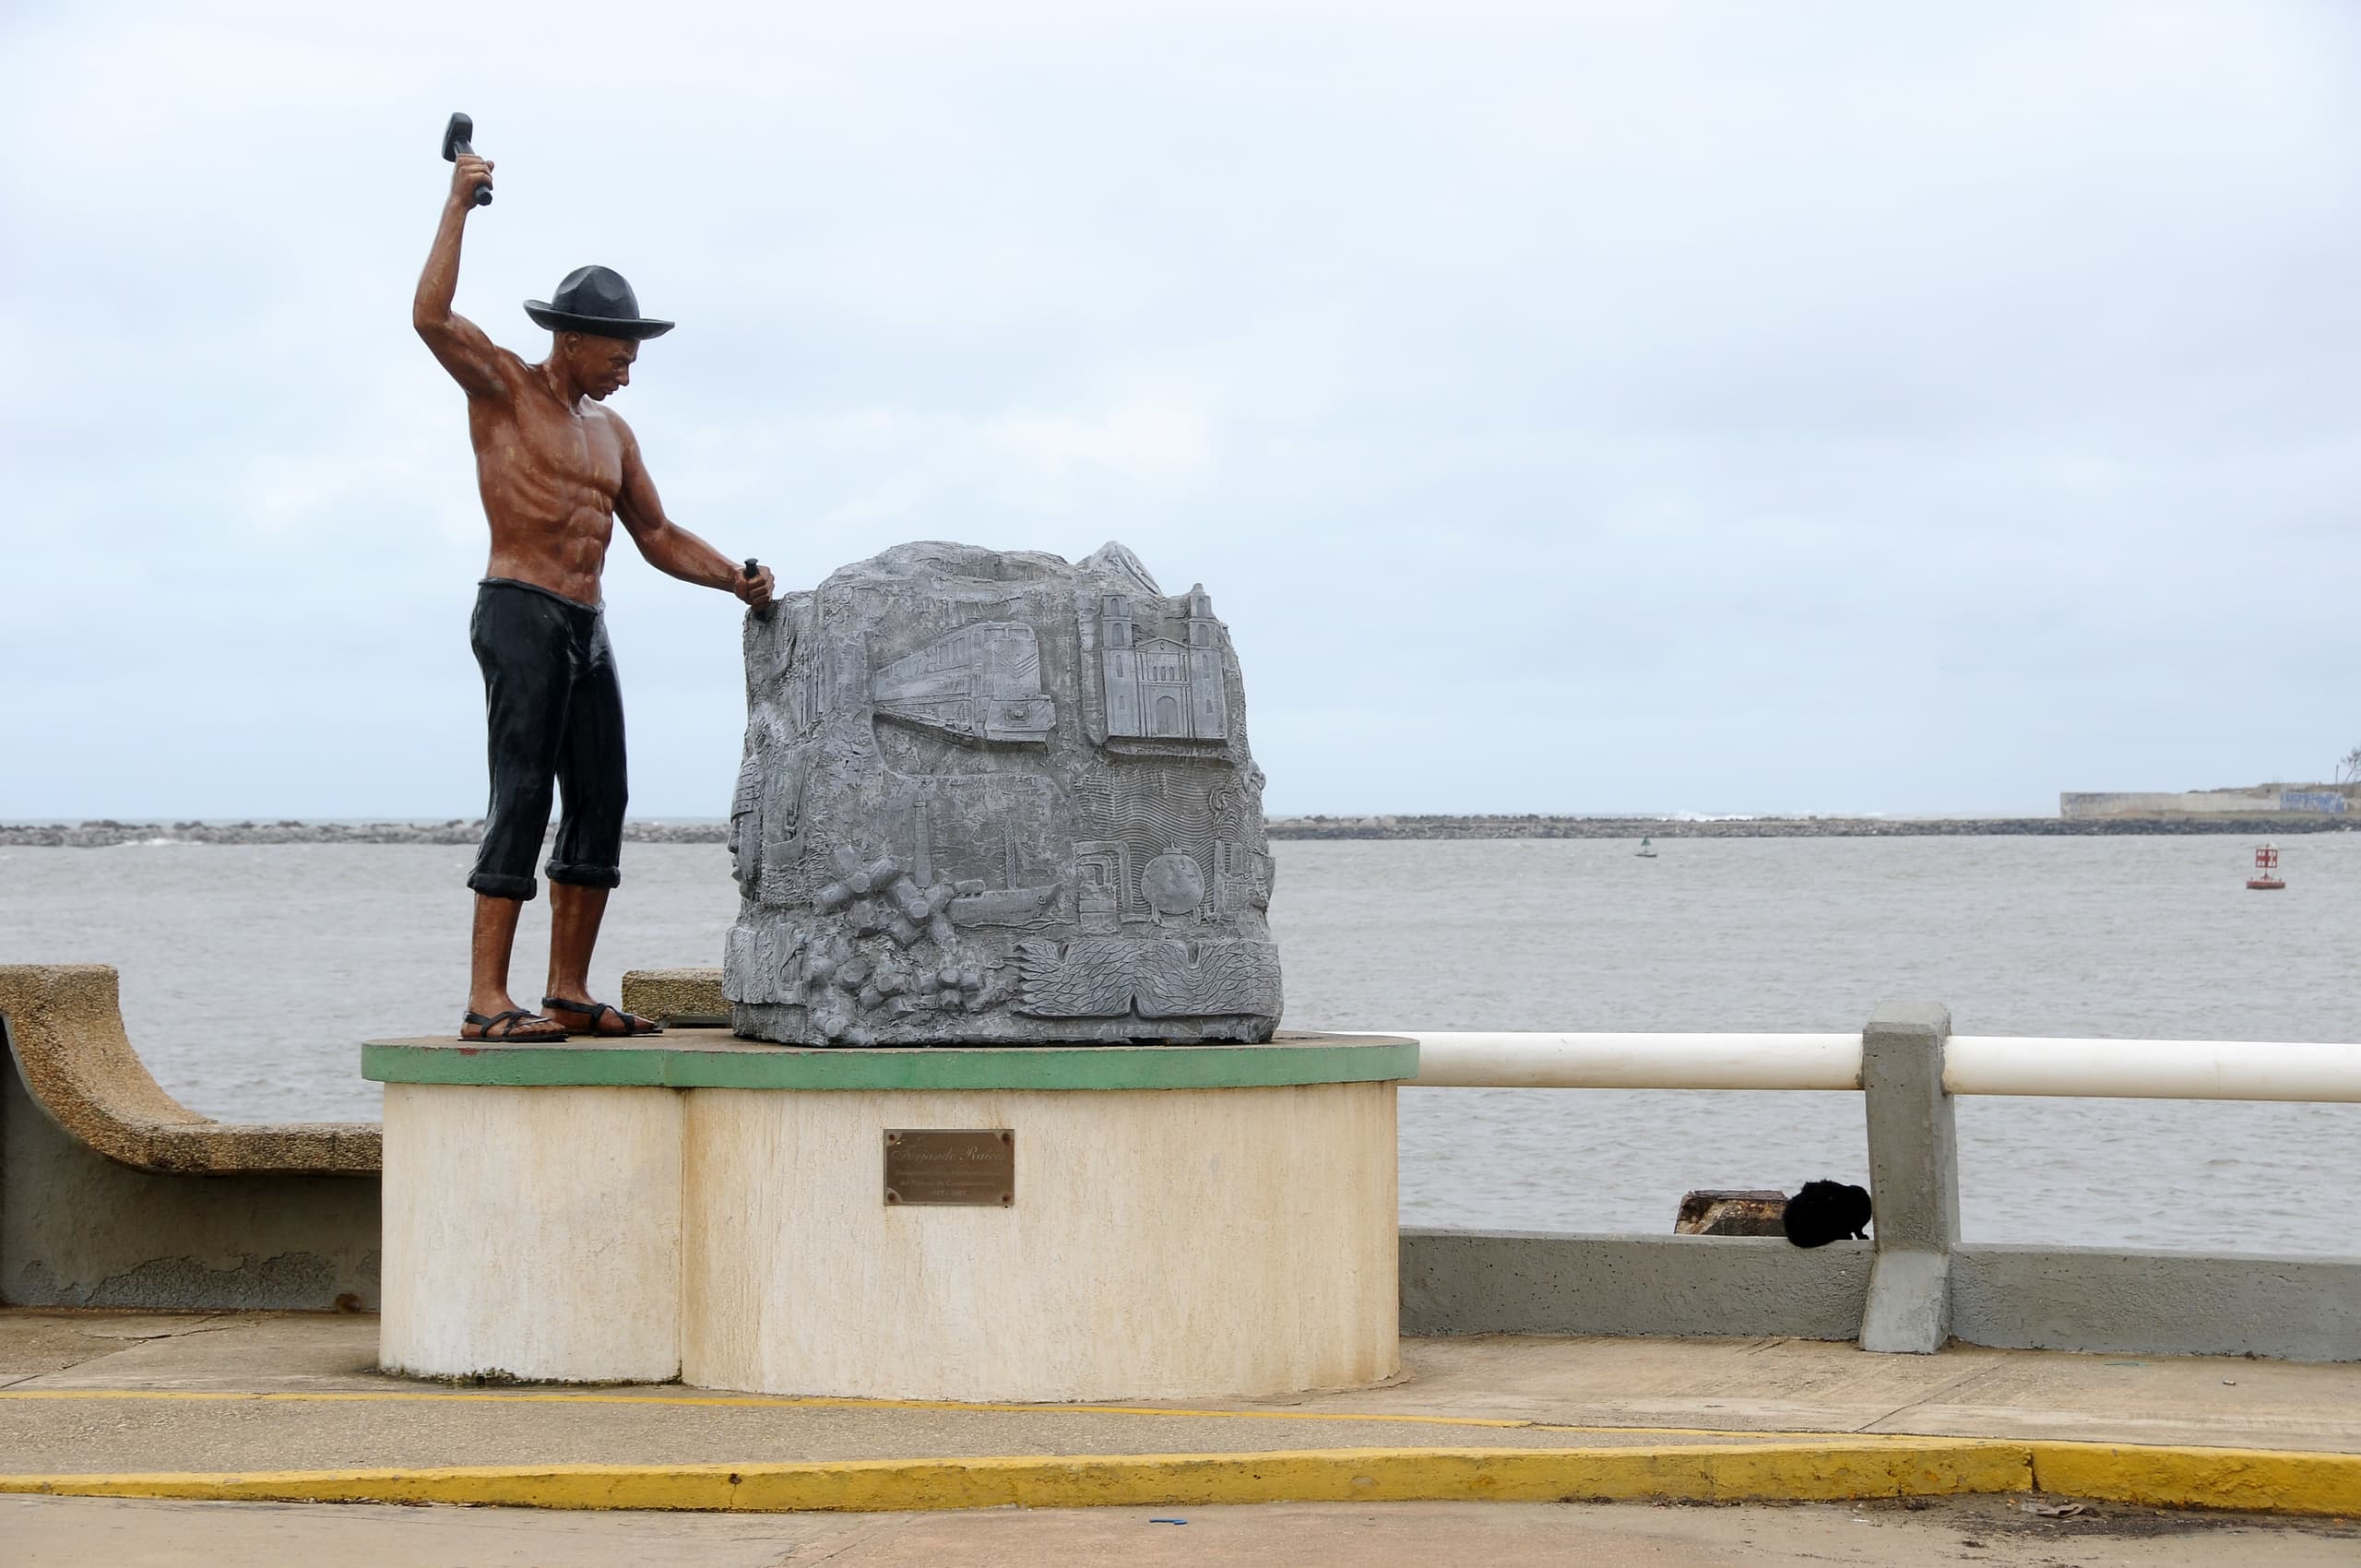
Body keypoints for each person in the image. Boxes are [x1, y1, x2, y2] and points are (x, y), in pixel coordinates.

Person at [413, 148, 775, 1042]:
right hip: (518, 611)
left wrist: (736, 578)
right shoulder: (503, 389)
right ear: (570, 340)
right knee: (522, 793)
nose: (627, 367)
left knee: (602, 797)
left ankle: (567, 989)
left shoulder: (612, 431)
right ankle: (486, 998)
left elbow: (656, 534)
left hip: (587, 625)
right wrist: (459, 202)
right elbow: (429, 316)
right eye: (618, 353)